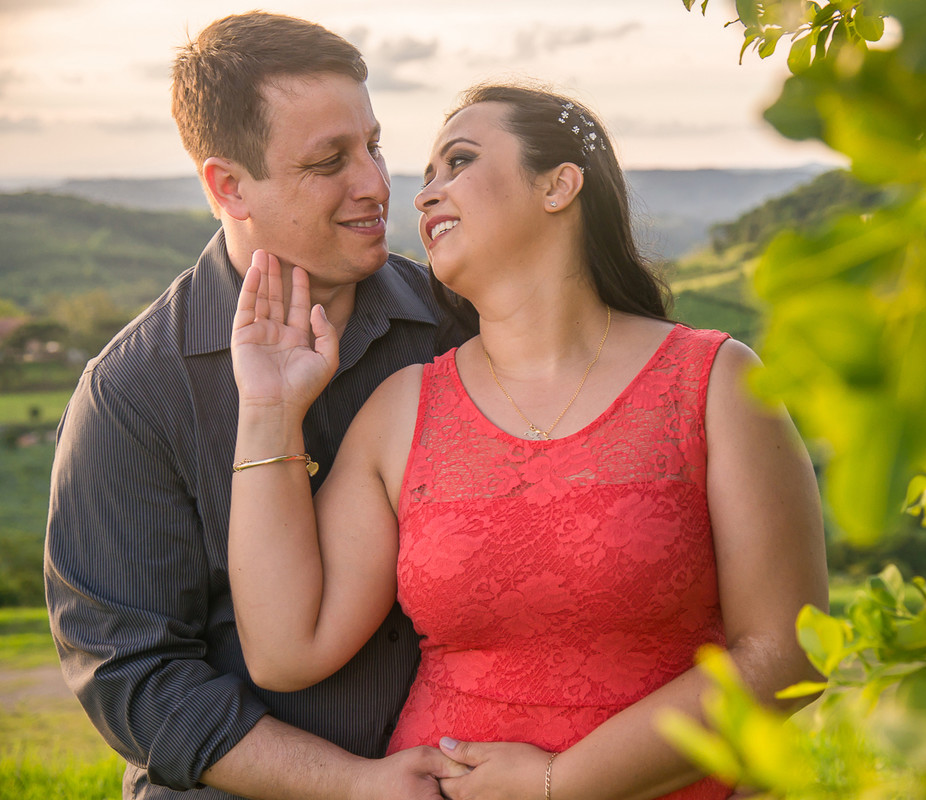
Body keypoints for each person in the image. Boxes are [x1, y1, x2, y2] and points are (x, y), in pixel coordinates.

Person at [228, 84, 829, 800]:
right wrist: (268, 407)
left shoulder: (715, 383)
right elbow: (285, 650)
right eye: (425, 178)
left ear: (558, 185)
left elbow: (787, 656)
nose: (423, 198)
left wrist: (560, 782)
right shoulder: (401, 412)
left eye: (458, 162)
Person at [43, 12, 467, 800]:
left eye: (373, 145)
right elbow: (134, 678)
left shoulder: (460, 325)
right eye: (327, 162)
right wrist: (354, 786)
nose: (376, 184)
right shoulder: (132, 395)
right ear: (228, 186)